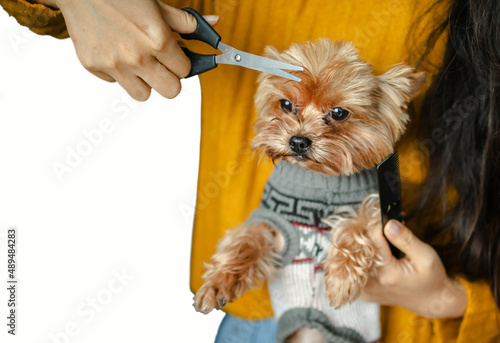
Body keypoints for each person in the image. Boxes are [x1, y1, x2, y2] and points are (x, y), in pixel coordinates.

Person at [1, 0, 499, 341]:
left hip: (422, 324)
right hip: (257, 317)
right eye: (288, 107)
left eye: (337, 115)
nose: (303, 132)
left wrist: (453, 302)